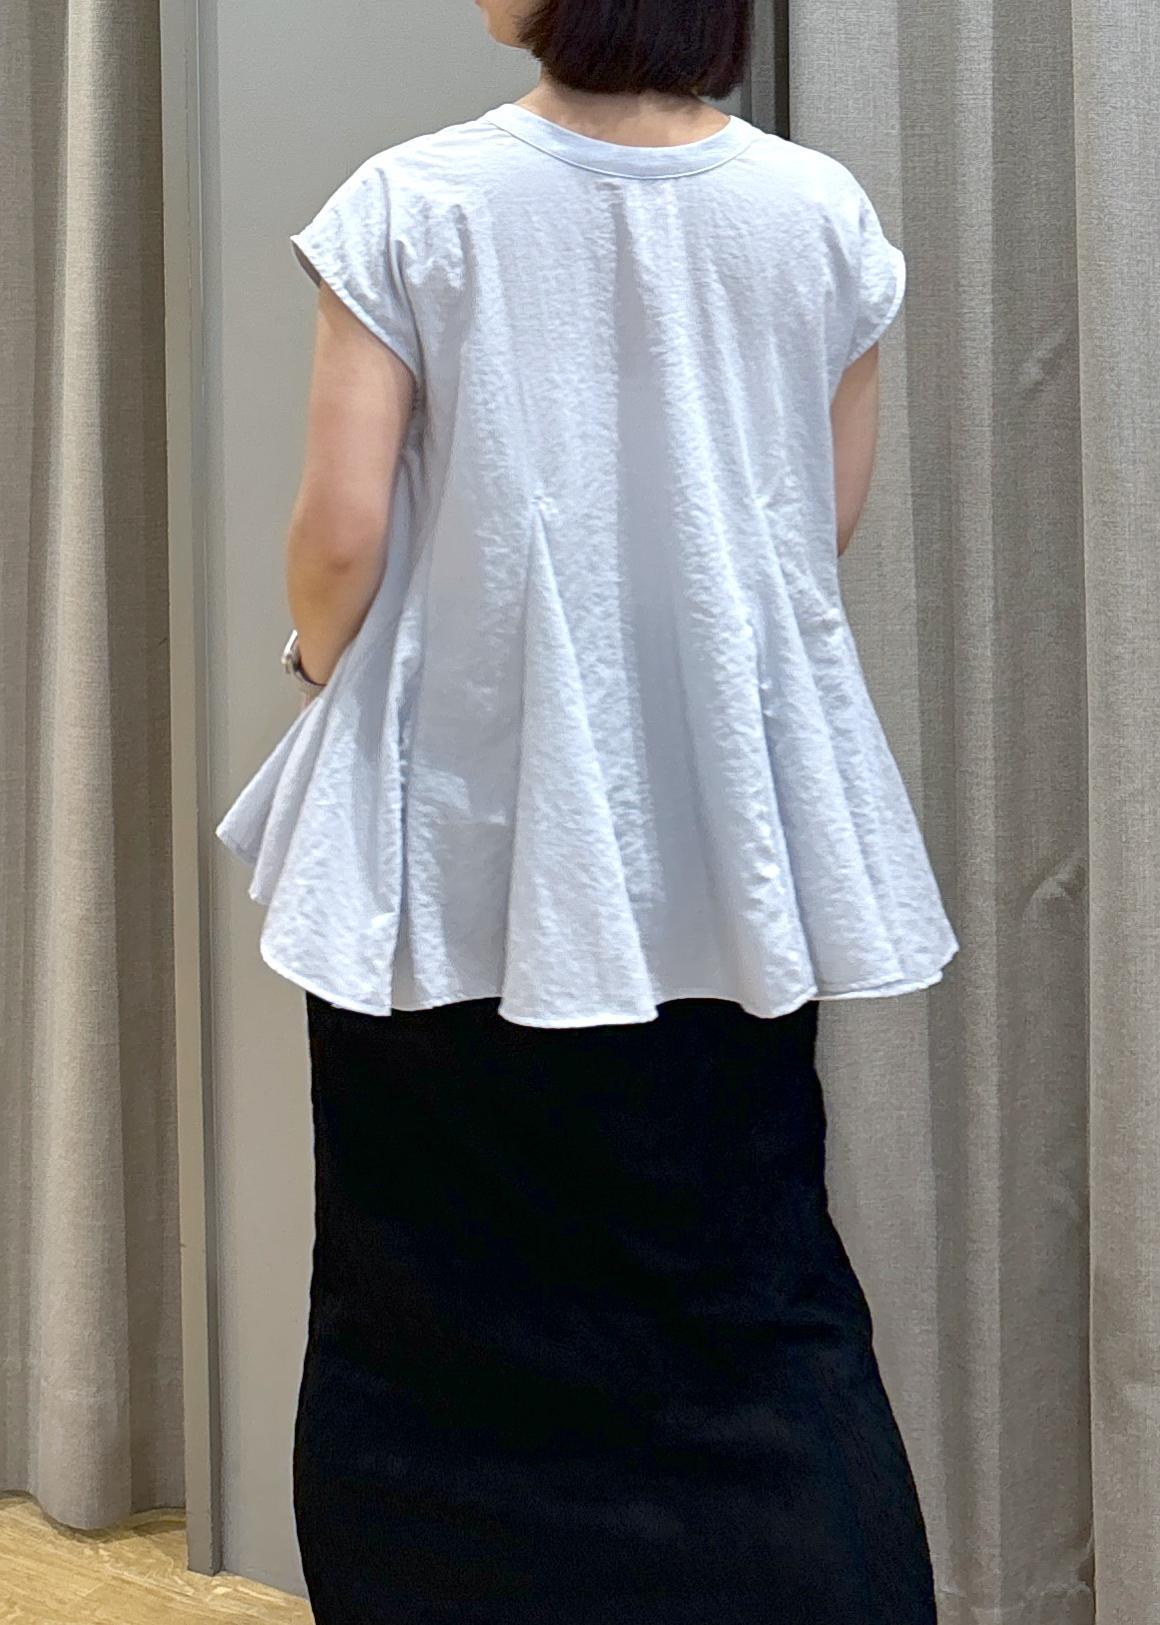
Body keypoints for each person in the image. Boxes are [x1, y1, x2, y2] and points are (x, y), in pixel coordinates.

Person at [216, 0, 959, 1618]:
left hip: (459, 850)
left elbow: (340, 534)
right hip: (717, 859)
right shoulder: (818, 215)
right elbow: (812, 523)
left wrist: (320, 665)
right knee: (746, 1293)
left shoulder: (414, 204)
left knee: (427, 1311)